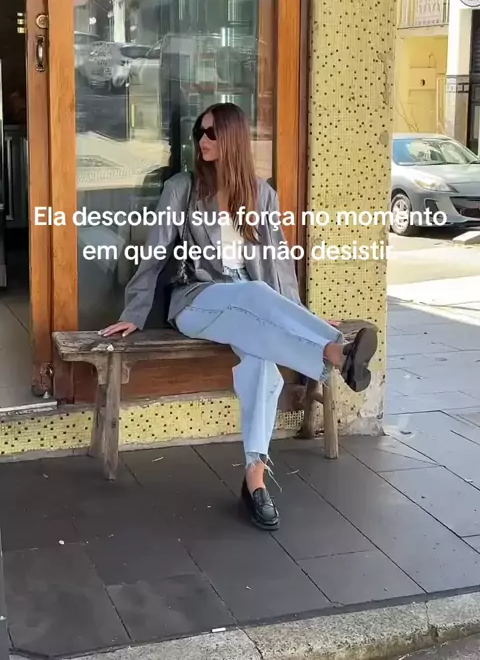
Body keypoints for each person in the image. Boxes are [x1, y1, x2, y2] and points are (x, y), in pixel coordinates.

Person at [100, 102, 377, 531]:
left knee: (262, 363)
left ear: (233, 139)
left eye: (212, 133)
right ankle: (334, 352)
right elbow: (154, 253)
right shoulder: (183, 188)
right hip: (196, 302)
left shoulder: (261, 194)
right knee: (253, 292)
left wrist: (298, 312)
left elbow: (279, 263)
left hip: (250, 307)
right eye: (200, 132)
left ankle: (255, 479)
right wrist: (134, 311)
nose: (202, 140)